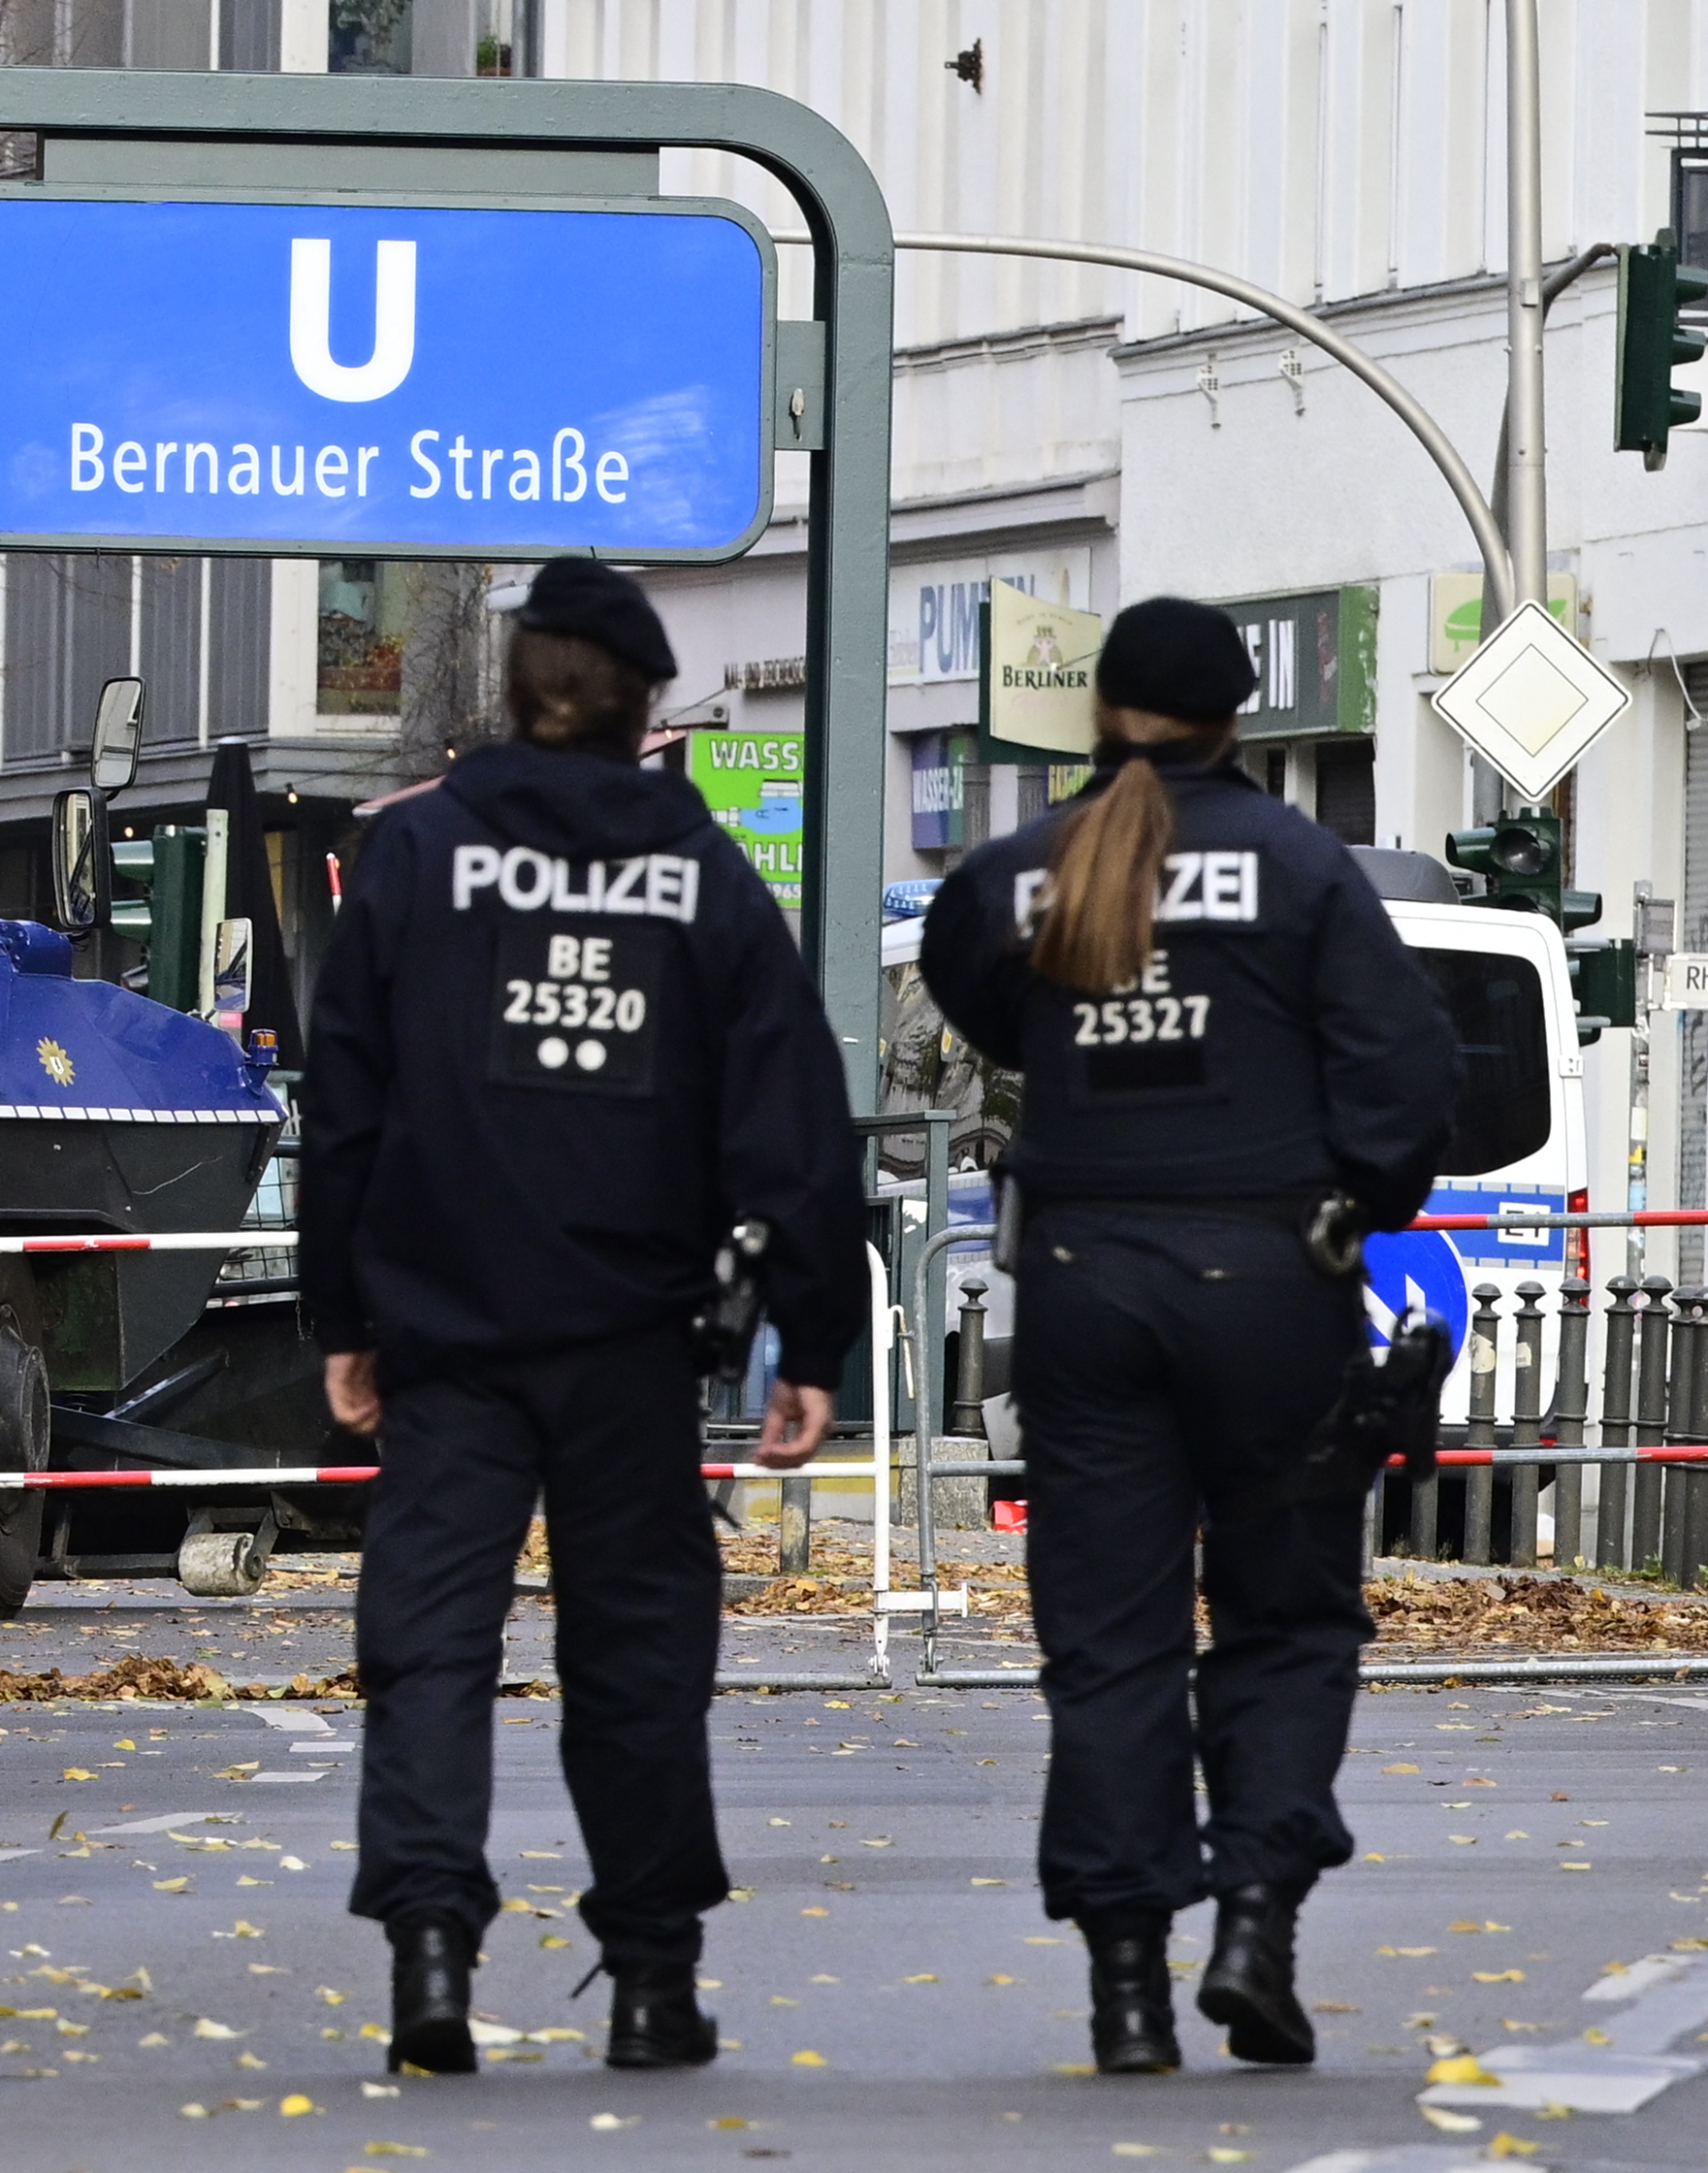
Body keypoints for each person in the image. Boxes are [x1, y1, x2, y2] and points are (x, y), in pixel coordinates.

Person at [300, 558, 867, 2076]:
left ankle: (429, 1948)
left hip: (449, 1335)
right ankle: (653, 1978)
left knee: (427, 1644)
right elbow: (793, 1116)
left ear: (517, 692)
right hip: (627, 1338)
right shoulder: (702, 875)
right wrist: (810, 1336)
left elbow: (343, 1097)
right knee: (638, 1659)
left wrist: (341, 1311)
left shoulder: (421, 857)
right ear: (641, 711)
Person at [917, 597, 1458, 2075]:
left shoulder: (1018, 873)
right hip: (1273, 1279)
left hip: (1086, 1282)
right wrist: (1361, 1184)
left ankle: (1125, 1984)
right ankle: (1255, 1925)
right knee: (1285, 1619)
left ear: (1100, 713)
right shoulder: (1299, 868)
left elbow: (980, 1005)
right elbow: (1408, 1072)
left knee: (1109, 1642)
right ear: (1241, 717)